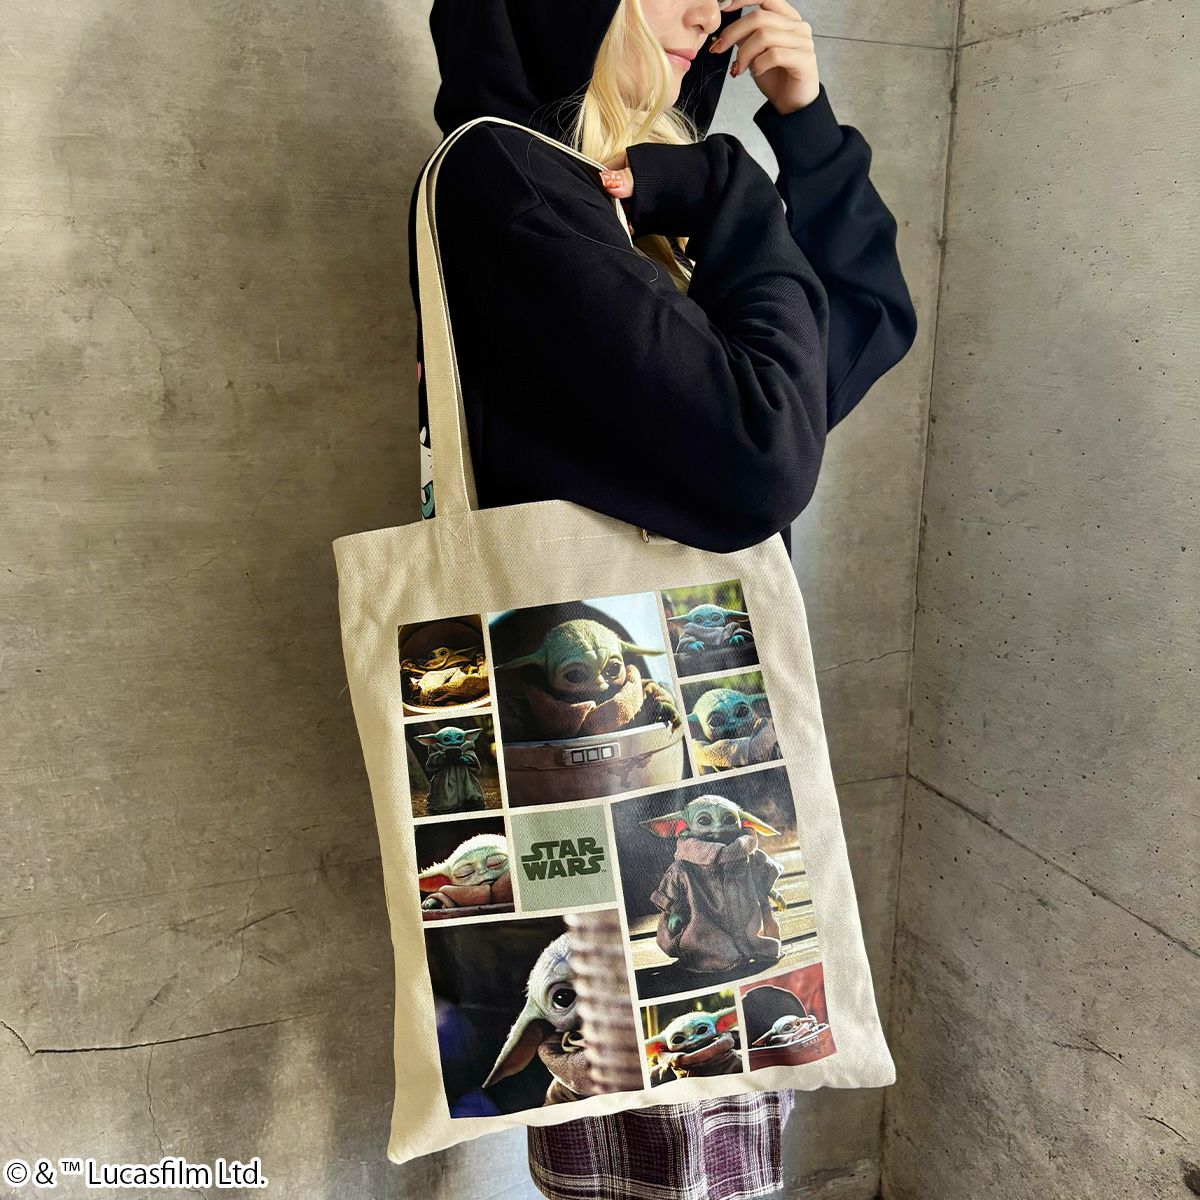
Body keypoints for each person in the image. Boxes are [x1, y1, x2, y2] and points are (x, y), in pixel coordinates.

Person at [410, 2, 917, 1196]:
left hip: (690, 763)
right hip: (606, 784)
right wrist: (734, 190)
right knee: (647, 1133)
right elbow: (759, 463)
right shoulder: (508, 179)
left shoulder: (641, 199)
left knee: (713, 1122)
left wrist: (804, 129)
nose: (712, 8)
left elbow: (859, 329)